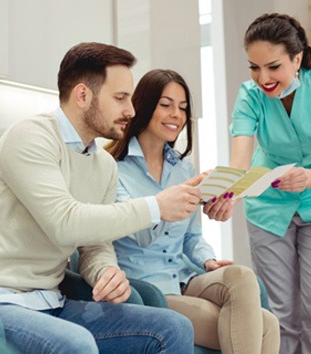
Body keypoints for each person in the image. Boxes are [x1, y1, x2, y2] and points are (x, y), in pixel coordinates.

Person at [0, 42, 202, 354]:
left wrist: (105, 272)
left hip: (52, 300)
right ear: (83, 95)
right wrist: (157, 206)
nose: (132, 111)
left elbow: (94, 244)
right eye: (120, 98)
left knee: (173, 327)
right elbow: (65, 223)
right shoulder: (30, 137)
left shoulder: (103, 165)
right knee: (75, 344)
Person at [100, 69, 280, 354]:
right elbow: (140, 234)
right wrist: (176, 197)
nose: (177, 115)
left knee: (242, 276)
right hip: (147, 288)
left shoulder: (183, 168)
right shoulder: (112, 168)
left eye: (183, 108)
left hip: (184, 276)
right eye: (166, 105)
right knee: (266, 325)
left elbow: (191, 237)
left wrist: (208, 261)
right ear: (144, 105)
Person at [227, 13, 311, 354]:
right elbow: (239, 164)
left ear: (298, 57)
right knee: (280, 316)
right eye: (254, 67)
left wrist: (307, 178)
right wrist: (226, 195)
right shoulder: (249, 95)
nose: (263, 78)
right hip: (267, 206)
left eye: (273, 67)